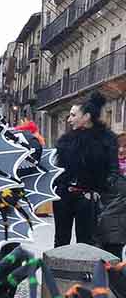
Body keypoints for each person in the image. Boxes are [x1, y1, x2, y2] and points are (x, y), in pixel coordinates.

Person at [54, 92, 119, 248]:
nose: (69, 120)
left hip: (88, 199)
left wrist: (98, 191)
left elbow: (113, 171)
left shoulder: (107, 139)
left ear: (87, 116)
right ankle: (56, 272)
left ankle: (84, 272)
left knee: (86, 244)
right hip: (63, 196)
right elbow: (58, 169)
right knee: (61, 241)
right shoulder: (66, 140)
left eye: (73, 115)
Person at [96, 133, 126, 259]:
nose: (121, 150)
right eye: (118, 146)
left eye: (125, 147)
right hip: (109, 224)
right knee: (110, 260)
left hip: (117, 223)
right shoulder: (106, 169)